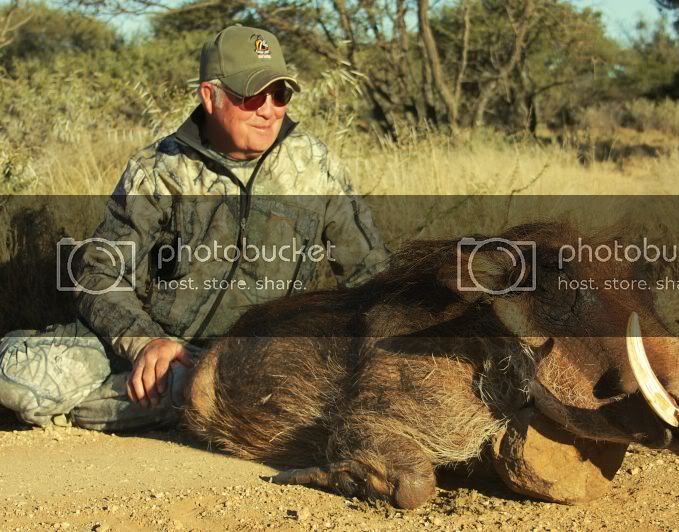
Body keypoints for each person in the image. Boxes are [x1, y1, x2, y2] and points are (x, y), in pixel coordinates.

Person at [0, 25, 389, 431]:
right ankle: (184, 400)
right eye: (253, 94)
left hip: (260, 360)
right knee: (17, 375)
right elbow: (97, 272)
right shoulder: (159, 169)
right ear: (210, 95)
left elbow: (372, 275)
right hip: (160, 347)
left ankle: (169, 401)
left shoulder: (315, 166)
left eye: (281, 95)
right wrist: (147, 342)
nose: (269, 109)